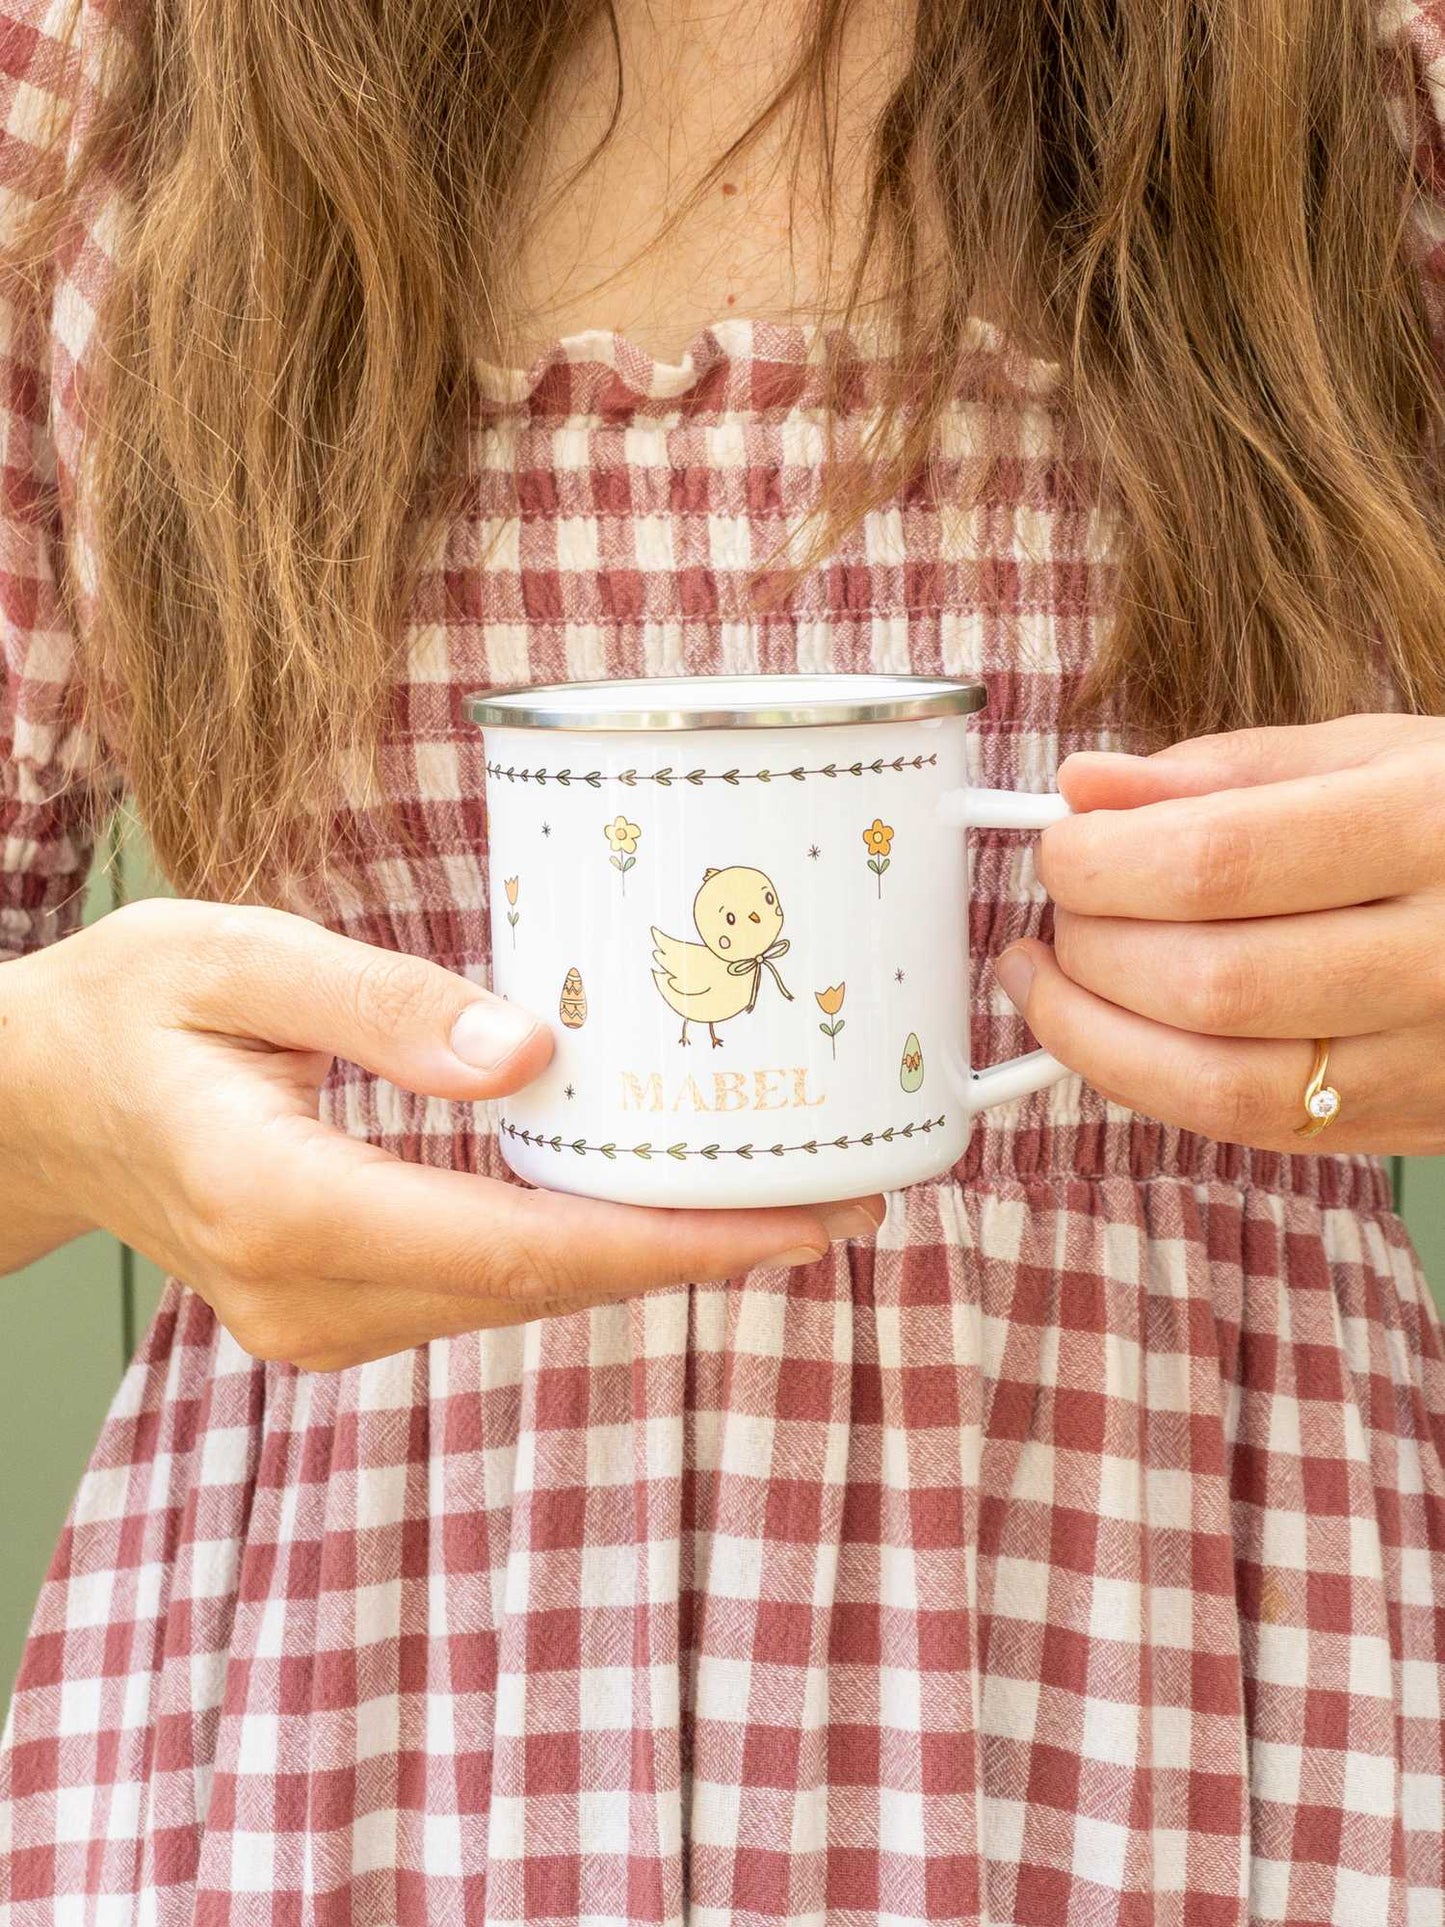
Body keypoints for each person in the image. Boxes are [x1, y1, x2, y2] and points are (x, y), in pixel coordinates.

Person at [2, 0, 1444, 1918]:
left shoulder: (1380, 62)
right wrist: (60, 1102)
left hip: (1191, 1648)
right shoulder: (89, 86)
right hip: (344, 1732)